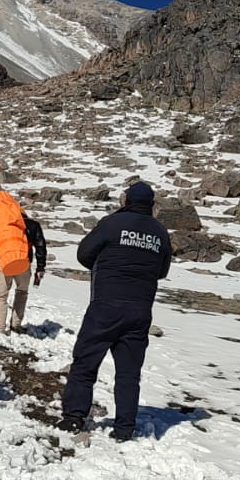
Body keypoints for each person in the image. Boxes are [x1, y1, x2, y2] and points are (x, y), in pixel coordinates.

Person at [60, 180, 171, 441]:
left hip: (106, 305)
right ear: (151, 204)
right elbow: (162, 271)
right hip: (140, 309)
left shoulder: (111, 224)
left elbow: (84, 253)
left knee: (86, 362)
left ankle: (74, 417)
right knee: (129, 373)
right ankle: (123, 429)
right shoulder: (160, 232)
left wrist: (107, 264)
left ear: (126, 200)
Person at [0, 181, 47, 333]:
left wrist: (3, 252)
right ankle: (16, 324)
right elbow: (41, 247)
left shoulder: (3, 225)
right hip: (24, 263)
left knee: (1, 297)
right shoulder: (32, 225)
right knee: (22, 292)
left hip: (3, 263)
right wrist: (40, 267)